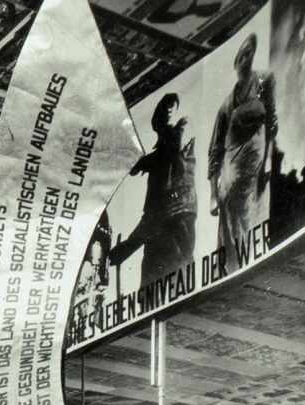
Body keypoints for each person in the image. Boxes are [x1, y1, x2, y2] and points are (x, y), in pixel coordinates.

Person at [111, 92, 196, 288]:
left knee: (180, 260)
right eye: (163, 108)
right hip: (162, 211)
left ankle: (111, 259)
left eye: (171, 107)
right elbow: (141, 165)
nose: (167, 111)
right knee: (152, 265)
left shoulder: (181, 131)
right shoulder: (162, 150)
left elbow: (173, 150)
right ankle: (111, 259)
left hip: (176, 209)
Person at [208, 33, 276, 274]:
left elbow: (272, 124)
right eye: (242, 55)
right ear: (236, 63)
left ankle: (250, 267)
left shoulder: (264, 82)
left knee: (254, 220)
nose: (247, 59)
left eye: (250, 53)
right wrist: (213, 195)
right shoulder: (226, 106)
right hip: (230, 174)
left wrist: (268, 159)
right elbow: (214, 150)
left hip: (255, 168)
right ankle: (232, 270)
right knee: (230, 230)